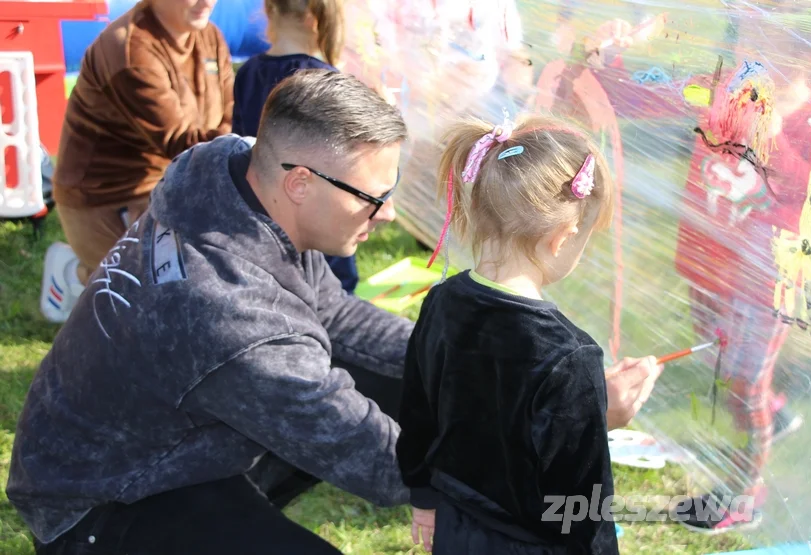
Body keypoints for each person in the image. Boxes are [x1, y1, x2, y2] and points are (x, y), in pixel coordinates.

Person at [8, 70, 662, 555]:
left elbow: (340, 318)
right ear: (301, 181)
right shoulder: (230, 316)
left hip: (164, 421)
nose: (384, 218)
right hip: (101, 496)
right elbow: (377, 456)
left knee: (411, 391)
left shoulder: (226, 166)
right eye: (371, 200)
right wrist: (551, 422)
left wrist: (499, 378)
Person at [397, 114, 622, 554]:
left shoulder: (441, 301)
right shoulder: (570, 355)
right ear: (562, 237)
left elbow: (416, 411)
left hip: (457, 527)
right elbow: (581, 497)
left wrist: (423, 498)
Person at [670, 10, 811, 534]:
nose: (748, 51)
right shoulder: (726, 90)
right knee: (714, 348)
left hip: (765, 277)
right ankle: (774, 409)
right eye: (744, 35)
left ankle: (744, 494)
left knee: (741, 383)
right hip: (711, 256)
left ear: (805, 55)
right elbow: (667, 93)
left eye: (763, 42)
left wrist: (777, 136)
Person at [41, 0, 234, 322]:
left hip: (174, 178)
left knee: (192, 287)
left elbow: (229, 113)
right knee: (160, 306)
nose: (207, 1)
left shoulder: (210, 35)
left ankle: (91, 273)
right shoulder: (129, 48)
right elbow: (178, 141)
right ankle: (73, 275)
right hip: (105, 194)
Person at [232, 0, 359, 294]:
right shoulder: (324, 79)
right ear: (319, 19)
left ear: (269, 10)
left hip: (262, 208)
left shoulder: (248, 72)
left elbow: (239, 143)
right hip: (317, 211)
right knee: (330, 296)